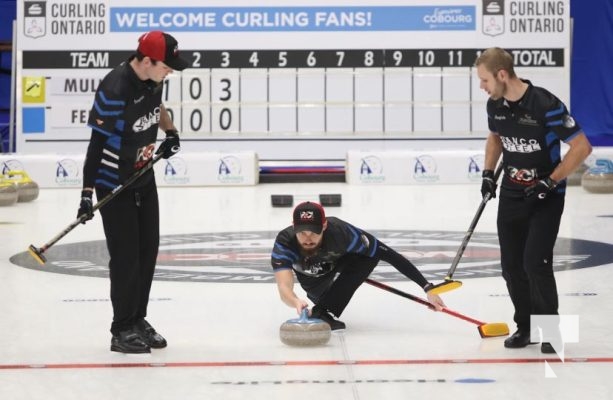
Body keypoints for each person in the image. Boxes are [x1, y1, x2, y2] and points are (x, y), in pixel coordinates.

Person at [77, 30, 188, 353]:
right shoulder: (115, 88)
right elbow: (96, 145)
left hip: (142, 176)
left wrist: (171, 131)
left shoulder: (154, 80)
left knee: (146, 253)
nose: (170, 71)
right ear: (147, 60)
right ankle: (121, 328)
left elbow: (158, 107)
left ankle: (138, 318)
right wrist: (86, 193)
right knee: (125, 259)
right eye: (166, 66)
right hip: (113, 182)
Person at [475, 47, 592, 354]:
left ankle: (551, 330)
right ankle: (525, 327)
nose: (482, 86)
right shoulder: (495, 105)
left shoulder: (545, 104)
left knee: (535, 263)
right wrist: (488, 173)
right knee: (511, 266)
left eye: (484, 79)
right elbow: (496, 137)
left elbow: (581, 147)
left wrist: (551, 180)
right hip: (513, 193)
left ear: (502, 75)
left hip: (546, 195)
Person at [271, 201, 445, 330]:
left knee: (370, 256)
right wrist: (295, 301)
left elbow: (389, 255)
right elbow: (284, 285)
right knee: (318, 297)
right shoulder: (285, 242)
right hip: (313, 280)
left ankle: (324, 312)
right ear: (294, 227)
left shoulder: (343, 233)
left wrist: (427, 287)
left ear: (324, 226)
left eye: (314, 233)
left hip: (340, 262)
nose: (308, 239)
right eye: (302, 233)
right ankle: (324, 303)